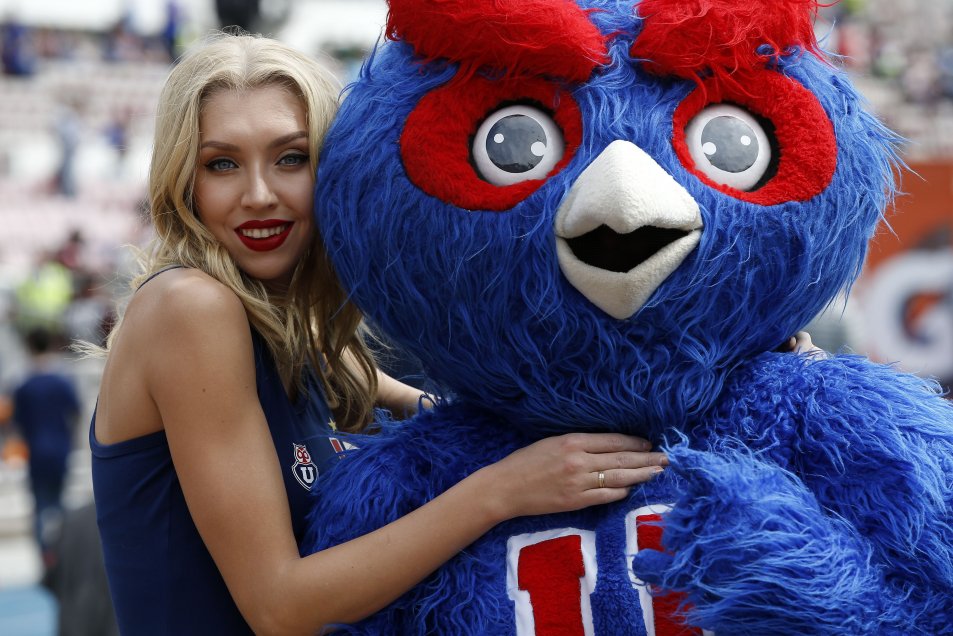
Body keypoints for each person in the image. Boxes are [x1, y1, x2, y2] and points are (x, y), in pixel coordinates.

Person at [86, 33, 671, 635]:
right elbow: (279, 606)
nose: (259, 195)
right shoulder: (191, 309)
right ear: (186, 183)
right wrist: (503, 490)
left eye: (291, 158)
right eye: (222, 164)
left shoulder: (303, 335)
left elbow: (462, 419)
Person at [12, 326, 81, 564]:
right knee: (60, 504)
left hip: (36, 451)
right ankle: (62, 556)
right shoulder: (62, 382)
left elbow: (18, 422)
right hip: (59, 448)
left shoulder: (23, 386)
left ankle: (45, 559)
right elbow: (76, 412)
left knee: (40, 505)